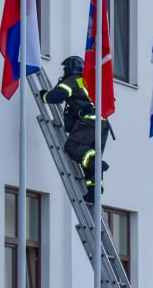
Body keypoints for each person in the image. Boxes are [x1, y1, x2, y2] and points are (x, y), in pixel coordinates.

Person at [42, 55, 109, 204]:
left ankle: (98, 164)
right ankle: (93, 191)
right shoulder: (90, 81)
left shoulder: (74, 80)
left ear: (70, 69)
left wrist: (45, 96)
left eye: (64, 70)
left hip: (88, 122)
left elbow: (57, 96)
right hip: (102, 124)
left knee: (73, 147)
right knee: (88, 158)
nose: (63, 73)